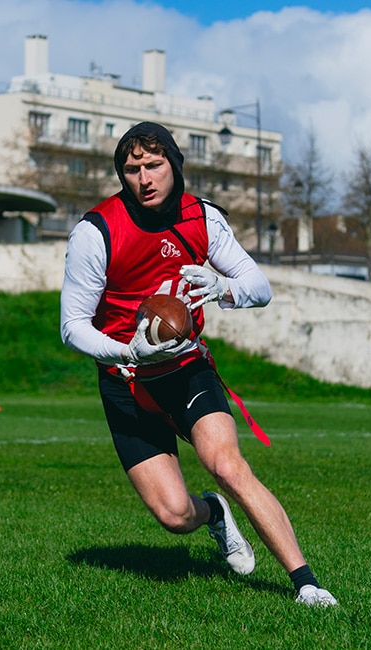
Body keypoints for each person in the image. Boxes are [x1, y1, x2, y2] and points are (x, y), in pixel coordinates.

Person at [60, 121, 337, 607]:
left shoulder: (202, 218)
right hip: (126, 381)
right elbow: (72, 326)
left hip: (187, 369)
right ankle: (213, 514)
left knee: (227, 465)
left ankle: (308, 584)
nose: (144, 178)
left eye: (153, 165)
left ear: (175, 164)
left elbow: (260, 286)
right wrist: (127, 351)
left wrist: (224, 289)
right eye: (131, 169)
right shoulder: (96, 230)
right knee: (172, 516)